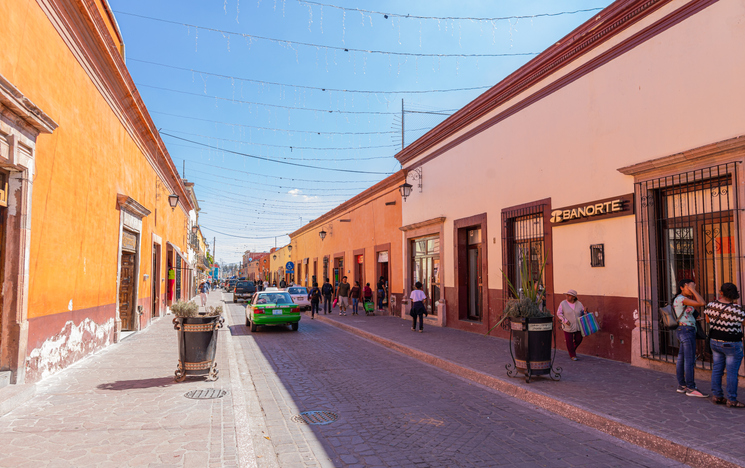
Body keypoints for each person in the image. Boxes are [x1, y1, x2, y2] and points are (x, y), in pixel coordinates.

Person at [704, 282, 745, 407]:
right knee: (732, 372)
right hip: (732, 343)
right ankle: (731, 399)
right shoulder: (736, 309)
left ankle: (717, 395)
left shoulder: (711, 305)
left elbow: (707, 319)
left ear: (721, 292)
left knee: (717, 369)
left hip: (715, 341)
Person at [672, 279, 707, 397]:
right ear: (682, 287)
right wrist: (693, 290)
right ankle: (691, 387)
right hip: (686, 330)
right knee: (689, 359)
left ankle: (682, 385)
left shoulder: (682, 300)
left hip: (685, 330)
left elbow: (695, 312)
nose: (692, 290)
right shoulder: (682, 299)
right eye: (689, 287)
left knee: (682, 358)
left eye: (693, 287)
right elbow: (702, 303)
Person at [557, 289, 587, 361]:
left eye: (569, 295)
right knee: (569, 341)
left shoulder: (579, 304)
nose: (567, 296)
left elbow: (583, 314)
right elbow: (559, 313)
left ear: (574, 297)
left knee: (579, 339)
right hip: (568, 325)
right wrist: (565, 320)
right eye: (567, 295)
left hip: (578, 325)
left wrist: (585, 311)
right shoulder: (563, 303)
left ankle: (572, 349)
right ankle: (572, 355)